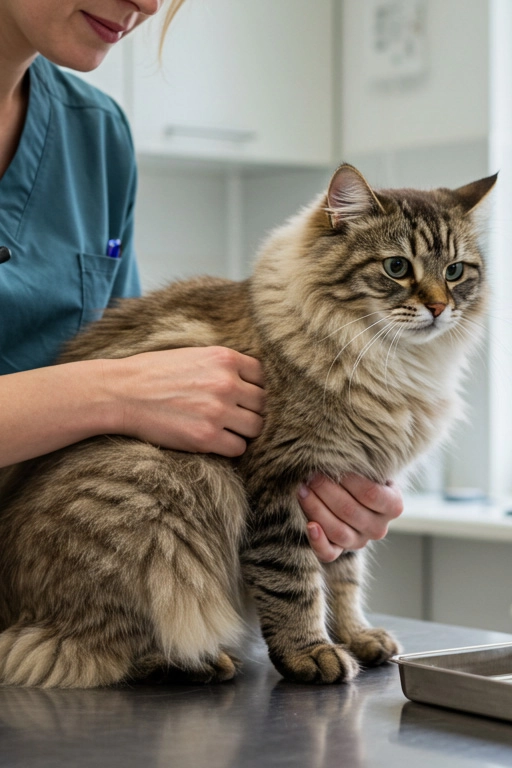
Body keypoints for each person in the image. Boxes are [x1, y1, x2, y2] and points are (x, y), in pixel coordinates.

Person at [0, 0, 403, 563]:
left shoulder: (96, 133)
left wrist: (315, 489)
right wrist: (115, 393)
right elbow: (133, 389)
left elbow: (133, 417)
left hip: (55, 577)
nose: (147, 5)